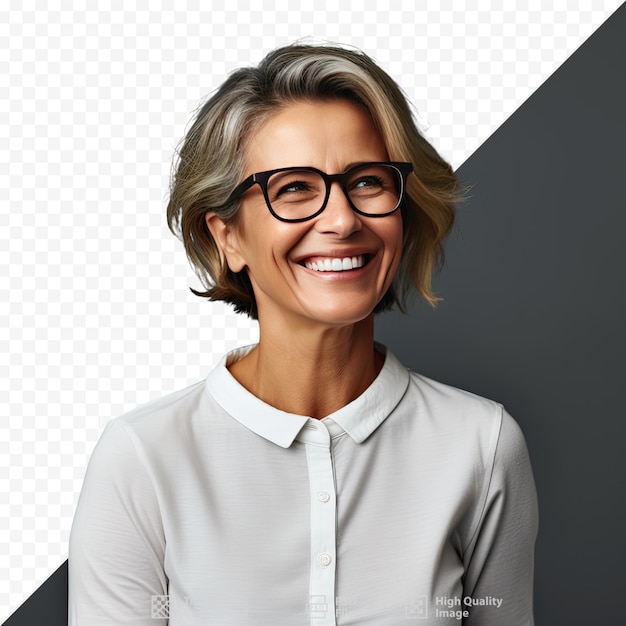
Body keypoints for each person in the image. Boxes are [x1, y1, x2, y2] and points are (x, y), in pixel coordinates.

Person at [68, 44, 538, 625]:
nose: (342, 219)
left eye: (367, 181)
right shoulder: (142, 459)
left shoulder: (483, 446)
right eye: (293, 188)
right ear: (227, 237)